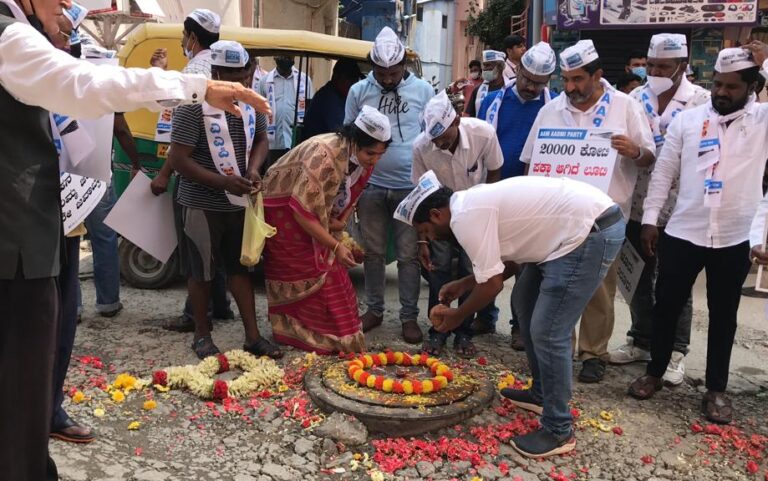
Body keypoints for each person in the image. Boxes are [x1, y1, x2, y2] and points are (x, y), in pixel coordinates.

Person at [0, 0, 271, 478]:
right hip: (17, 248)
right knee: (21, 392)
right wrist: (194, 87)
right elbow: (84, 85)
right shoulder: (10, 38)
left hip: (34, 233)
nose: (67, 5)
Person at [400, 172, 624, 458]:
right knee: (524, 300)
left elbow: (492, 285)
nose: (429, 239)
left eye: (426, 231)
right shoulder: (469, 205)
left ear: (435, 214)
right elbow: (506, 266)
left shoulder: (465, 219)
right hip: (565, 234)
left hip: (587, 234)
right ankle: (541, 394)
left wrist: (458, 316)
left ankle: (558, 428)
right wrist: (465, 284)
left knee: (549, 330)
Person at [628, 45, 768, 425]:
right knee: (666, 306)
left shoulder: (763, 122)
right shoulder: (688, 122)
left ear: (753, 86)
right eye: (717, 84)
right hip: (683, 231)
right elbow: (664, 173)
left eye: (732, 87)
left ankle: (716, 389)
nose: (721, 92)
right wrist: (651, 220)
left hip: (733, 237)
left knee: (725, 315)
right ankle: (655, 371)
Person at [520, 39, 656, 383]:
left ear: (597, 76)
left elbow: (650, 157)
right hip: (556, 219)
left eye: (578, 79)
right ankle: (560, 350)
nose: (570, 88)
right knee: (555, 287)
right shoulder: (550, 110)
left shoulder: (625, 107)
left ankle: (594, 353)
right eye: (565, 80)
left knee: (598, 290)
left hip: (603, 220)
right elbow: (531, 162)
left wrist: (634, 150)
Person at [168, 40, 281, 360]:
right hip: (201, 203)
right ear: (215, 73)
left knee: (240, 269)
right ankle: (202, 335)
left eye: (243, 75)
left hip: (238, 201)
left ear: (250, 71)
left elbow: (261, 139)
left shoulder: (251, 103)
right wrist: (224, 181)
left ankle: (253, 336)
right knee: (201, 271)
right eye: (228, 76)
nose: (238, 83)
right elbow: (178, 159)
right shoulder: (193, 106)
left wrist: (255, 169)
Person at [609, 34, 710, 385]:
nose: (654, 71)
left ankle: (676, 350)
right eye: (650, 65)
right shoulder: (634, 98)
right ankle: (641, 338)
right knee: (635, 277)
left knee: (674, 284)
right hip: (636, 203)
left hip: (682, 209)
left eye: (663, 66)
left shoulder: (702, 102)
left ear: (683, 65)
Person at [262, 106, 391, 354]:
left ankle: (330, 334)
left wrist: (337, 227)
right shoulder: (325, 156)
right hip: (283, 208)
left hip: (310, 210)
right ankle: (291, 331)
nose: (374, 160)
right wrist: (335, 244)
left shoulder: (362, 159)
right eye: (370, 153)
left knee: (330, 271)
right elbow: (302, 211)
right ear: (353, 141)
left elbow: (343, 197)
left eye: (380, 154)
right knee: (309, 268)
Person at [344, 26, 434, 344]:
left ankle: (409, 317)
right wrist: (351, 189)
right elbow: (349, 139)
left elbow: (431, 139)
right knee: (373, 253)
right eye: (380, 73)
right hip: (371, 186)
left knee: (409, 255)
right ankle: (375, 310)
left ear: (403, 67)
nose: (386, 79)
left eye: (392, 73)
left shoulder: (423, 91)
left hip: (410, 187)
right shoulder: (358, 91)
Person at [148, 9, 236, 331]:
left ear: (192, 37)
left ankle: (195, 316)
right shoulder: (225, 66)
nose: (182, 42)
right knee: (219, 244)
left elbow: (181, 136)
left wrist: (164, 173)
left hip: (196, 175)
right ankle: (221, 304)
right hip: (227, 172)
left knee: (195, 249)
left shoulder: (193, 74)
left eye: (183, 36)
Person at [476, 41, 557, 347]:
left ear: (548, 81)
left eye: (539, 83)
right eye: (526, 79)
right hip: (495, 191)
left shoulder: (554, 106)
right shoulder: (492, 101)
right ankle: (484, 315)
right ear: (518, 69)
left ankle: (520, 324)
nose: (530, 87)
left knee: (525, 263)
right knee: (487, 257)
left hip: (533, 198)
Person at [412, 91, 503, 357]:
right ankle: (437, 330)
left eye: (444, 136)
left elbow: (495, 171)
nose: (438, 143)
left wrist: (489, 217)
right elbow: (419, 194)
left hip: (477, 216)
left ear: (456, 121)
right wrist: (423, 239)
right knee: (438, 270)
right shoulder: (421, 146)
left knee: (472, 270)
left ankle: (463, 332)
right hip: (440, 219)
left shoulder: (483, 134)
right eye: (434, 138)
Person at [258, 55, 314, 170]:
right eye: (282, 54)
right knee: (272, 175)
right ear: (274, 56)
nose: (285, 58)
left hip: (296, 140)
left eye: (289, 55)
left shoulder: (304, 80)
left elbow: (309, 108)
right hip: (272, 142)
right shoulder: (265, 81)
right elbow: (259, 111)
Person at [302, 58, 362, 140]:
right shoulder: (329, 99)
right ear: (337, 77)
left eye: (356, 80)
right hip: (319, 148)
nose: (354, 85)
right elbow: (342, 131)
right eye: (351, 80)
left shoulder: (340, 95)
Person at [464, 50, 506, 118]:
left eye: (488, 65)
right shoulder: (478, 90)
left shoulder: (508, 88)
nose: (484, 69)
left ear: (499, 67)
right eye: (484, 65)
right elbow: (469, 116)